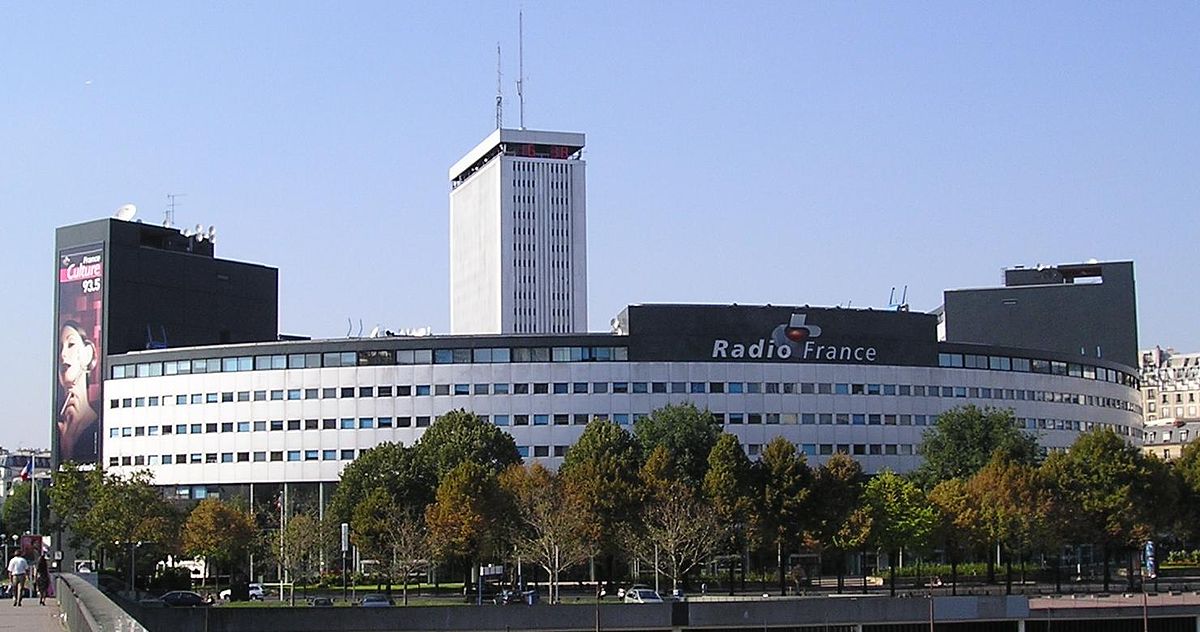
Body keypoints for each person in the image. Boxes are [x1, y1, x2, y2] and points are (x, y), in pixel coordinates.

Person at [57, 321, 99, 462]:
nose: (63, 354)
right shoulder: (60, 427)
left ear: (88, 353)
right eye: (60, 348)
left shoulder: (98, 424)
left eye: (71, 345)